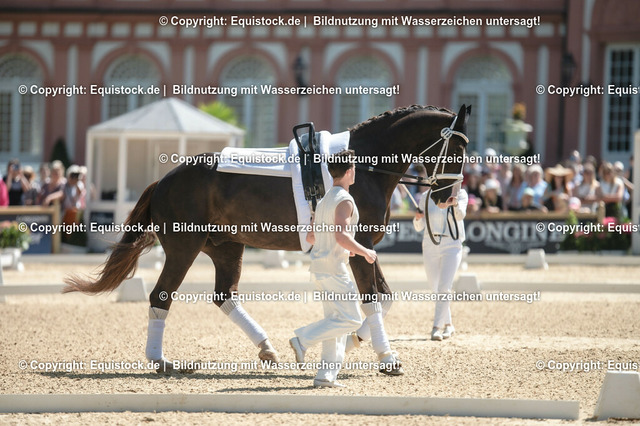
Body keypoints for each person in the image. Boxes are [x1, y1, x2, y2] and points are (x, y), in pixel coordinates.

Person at [289, 149, 377, 388]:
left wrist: (344, 248)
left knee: (335, 322)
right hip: (334, 270)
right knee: (352, 320)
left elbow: (311, 237)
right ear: (349, 171)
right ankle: (303, 340)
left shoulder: (324, 200)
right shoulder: (345, 200)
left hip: (319, 268)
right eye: (354, 167)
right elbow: (341, 235)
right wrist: (365, 252)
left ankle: (325, 376)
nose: (355, 171)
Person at [413, 183, 468, 341]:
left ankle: (436, 327)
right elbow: (419, 227)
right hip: (430, 243)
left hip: (452, 244)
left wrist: (455, 203)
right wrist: (417, 218)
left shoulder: (461, 194)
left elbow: (460, 215)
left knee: (444, 287)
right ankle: (449, 324)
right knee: (435, 288)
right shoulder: (425, 197)